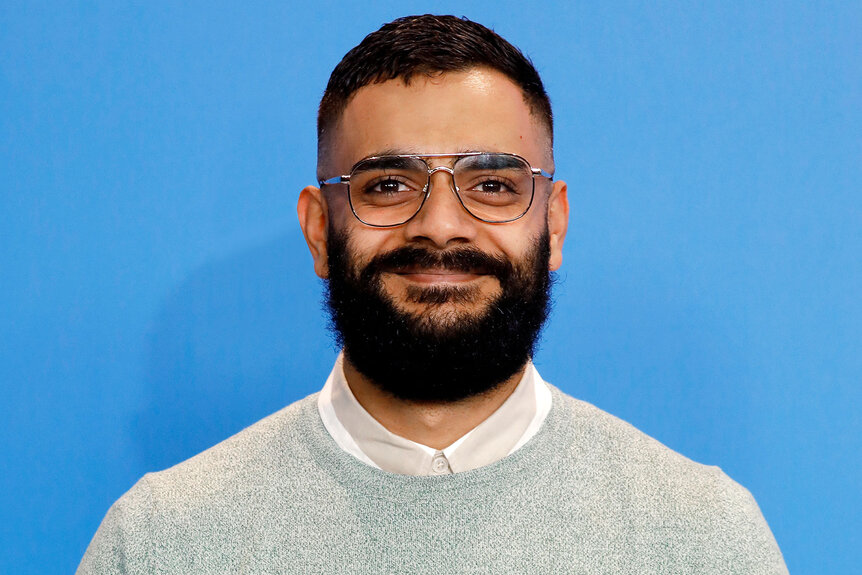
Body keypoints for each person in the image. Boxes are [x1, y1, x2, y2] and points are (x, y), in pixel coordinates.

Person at [78, 15, 788, 574]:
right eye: (387, 184)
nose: (441, 225)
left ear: (555, 222)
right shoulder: (158, 545)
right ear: (320, 229)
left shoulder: (703, 539)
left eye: (493, 184)